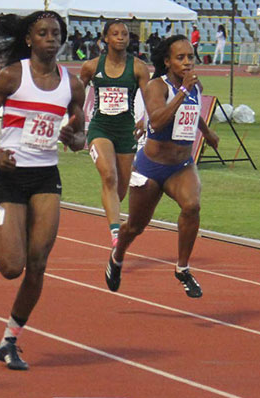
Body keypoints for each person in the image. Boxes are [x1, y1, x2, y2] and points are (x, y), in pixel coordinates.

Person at [0, 10, 86, 370]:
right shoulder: (12, 76)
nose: (50, 39)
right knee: (11, 267)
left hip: (45, 176)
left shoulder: (73, 85)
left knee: (37, 264)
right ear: (29, 39)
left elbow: (80, 137)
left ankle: (10, 340)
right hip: (10, 175)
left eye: (56, 33)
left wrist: (74, 137)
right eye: (43, 33)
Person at [105, 35, 219, 298]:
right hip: (151, 167)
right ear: (167, 62)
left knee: (192, 206)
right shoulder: (158, 87)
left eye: (190, 57)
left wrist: (207, 131)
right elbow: (156, 121)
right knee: (136, 226)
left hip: (181, 165)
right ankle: (118, 255)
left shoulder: (195, 85)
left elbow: (192, 112)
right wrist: (181, 92)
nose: (187, 62)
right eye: (181, 58)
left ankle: (182, 268)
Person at [79, 20, 150, 249]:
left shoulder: (138, 67)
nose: (120, 37)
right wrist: (74, 124)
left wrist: (145, 119)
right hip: (100, 128)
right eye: (115, 34)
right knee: (108, 175)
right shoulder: (91, 67)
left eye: (125, 34)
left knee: (120, 189)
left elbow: (151, 99)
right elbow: (76, 96)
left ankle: (112, 213)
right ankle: (116, 234)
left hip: (126, 132)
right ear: (106, 38)